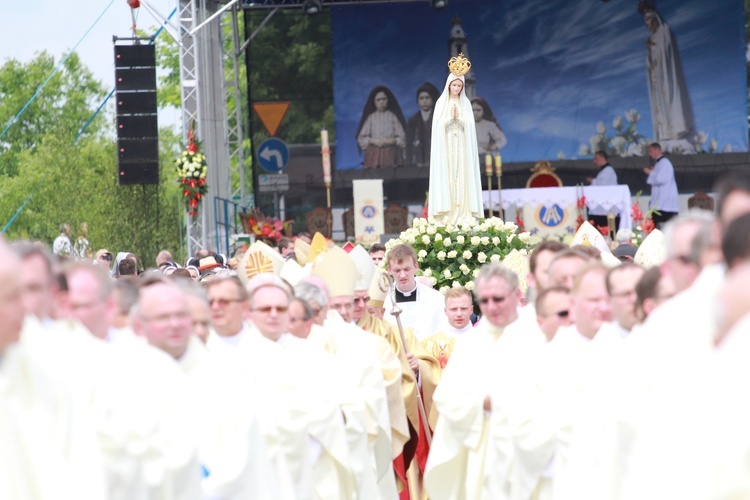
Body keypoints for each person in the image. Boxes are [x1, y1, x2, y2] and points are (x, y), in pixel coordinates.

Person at [428, 53, 484, 224]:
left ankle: (463, 215)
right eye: (454, 85)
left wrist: (459, 120)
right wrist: (448, 121)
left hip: (462, 150)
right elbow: (436, 128)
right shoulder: (440, 103)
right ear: (449, 85)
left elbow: (471, 129)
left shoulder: (466, 104)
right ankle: (447, 216)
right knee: (448, 179)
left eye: (460, 86)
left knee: (462, 180)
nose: (457, 88)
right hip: (446, 150)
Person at [640, 1, 695, 149]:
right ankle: (664, 134)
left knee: (669, 100)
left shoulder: (664, 31)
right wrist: (650, 50)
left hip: (666, 76)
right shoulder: (653, 39)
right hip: (657, 78)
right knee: (659, 104)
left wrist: (654, 48)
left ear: (654, 18)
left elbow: (666, 53)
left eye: (648, 20)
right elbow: (651, 61)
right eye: (645, 21)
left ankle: (674, 131)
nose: (647, 24)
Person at [356, 85, 407, 169]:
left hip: (391, 155)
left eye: (384, 99)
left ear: (388, 100)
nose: (381, 102)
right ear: (374, 102)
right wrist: (373, 140)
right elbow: (361, 138)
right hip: (373, 157)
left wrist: (392, 141)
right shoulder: (371, 118)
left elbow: (402, 137)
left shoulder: (393, 116)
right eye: (378, 100)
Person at [643, 142, 679, 226]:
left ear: (657, 150)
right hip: (659, 202)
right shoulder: (659, 163)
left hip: (665, 203)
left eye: (651, 151)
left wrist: (650, 173)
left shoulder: (665, 163)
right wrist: (653, 172)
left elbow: (661, 179)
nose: (650, 154)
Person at [405, 82, 440, 167]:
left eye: (427, 98)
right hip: (417, 162)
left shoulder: (439, 118)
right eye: (421, 98)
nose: (424, 101)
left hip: (437, 160)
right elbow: (408, 143)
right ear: (417, 101)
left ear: (432, 99)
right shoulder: (412, 121)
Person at [587, 151, 620, 229]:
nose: (594, 161)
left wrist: (593, 181)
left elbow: (603, 186)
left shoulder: (608, 171)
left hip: (606, 207)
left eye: (596, 158)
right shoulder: (604, 171)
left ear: (602, 158)